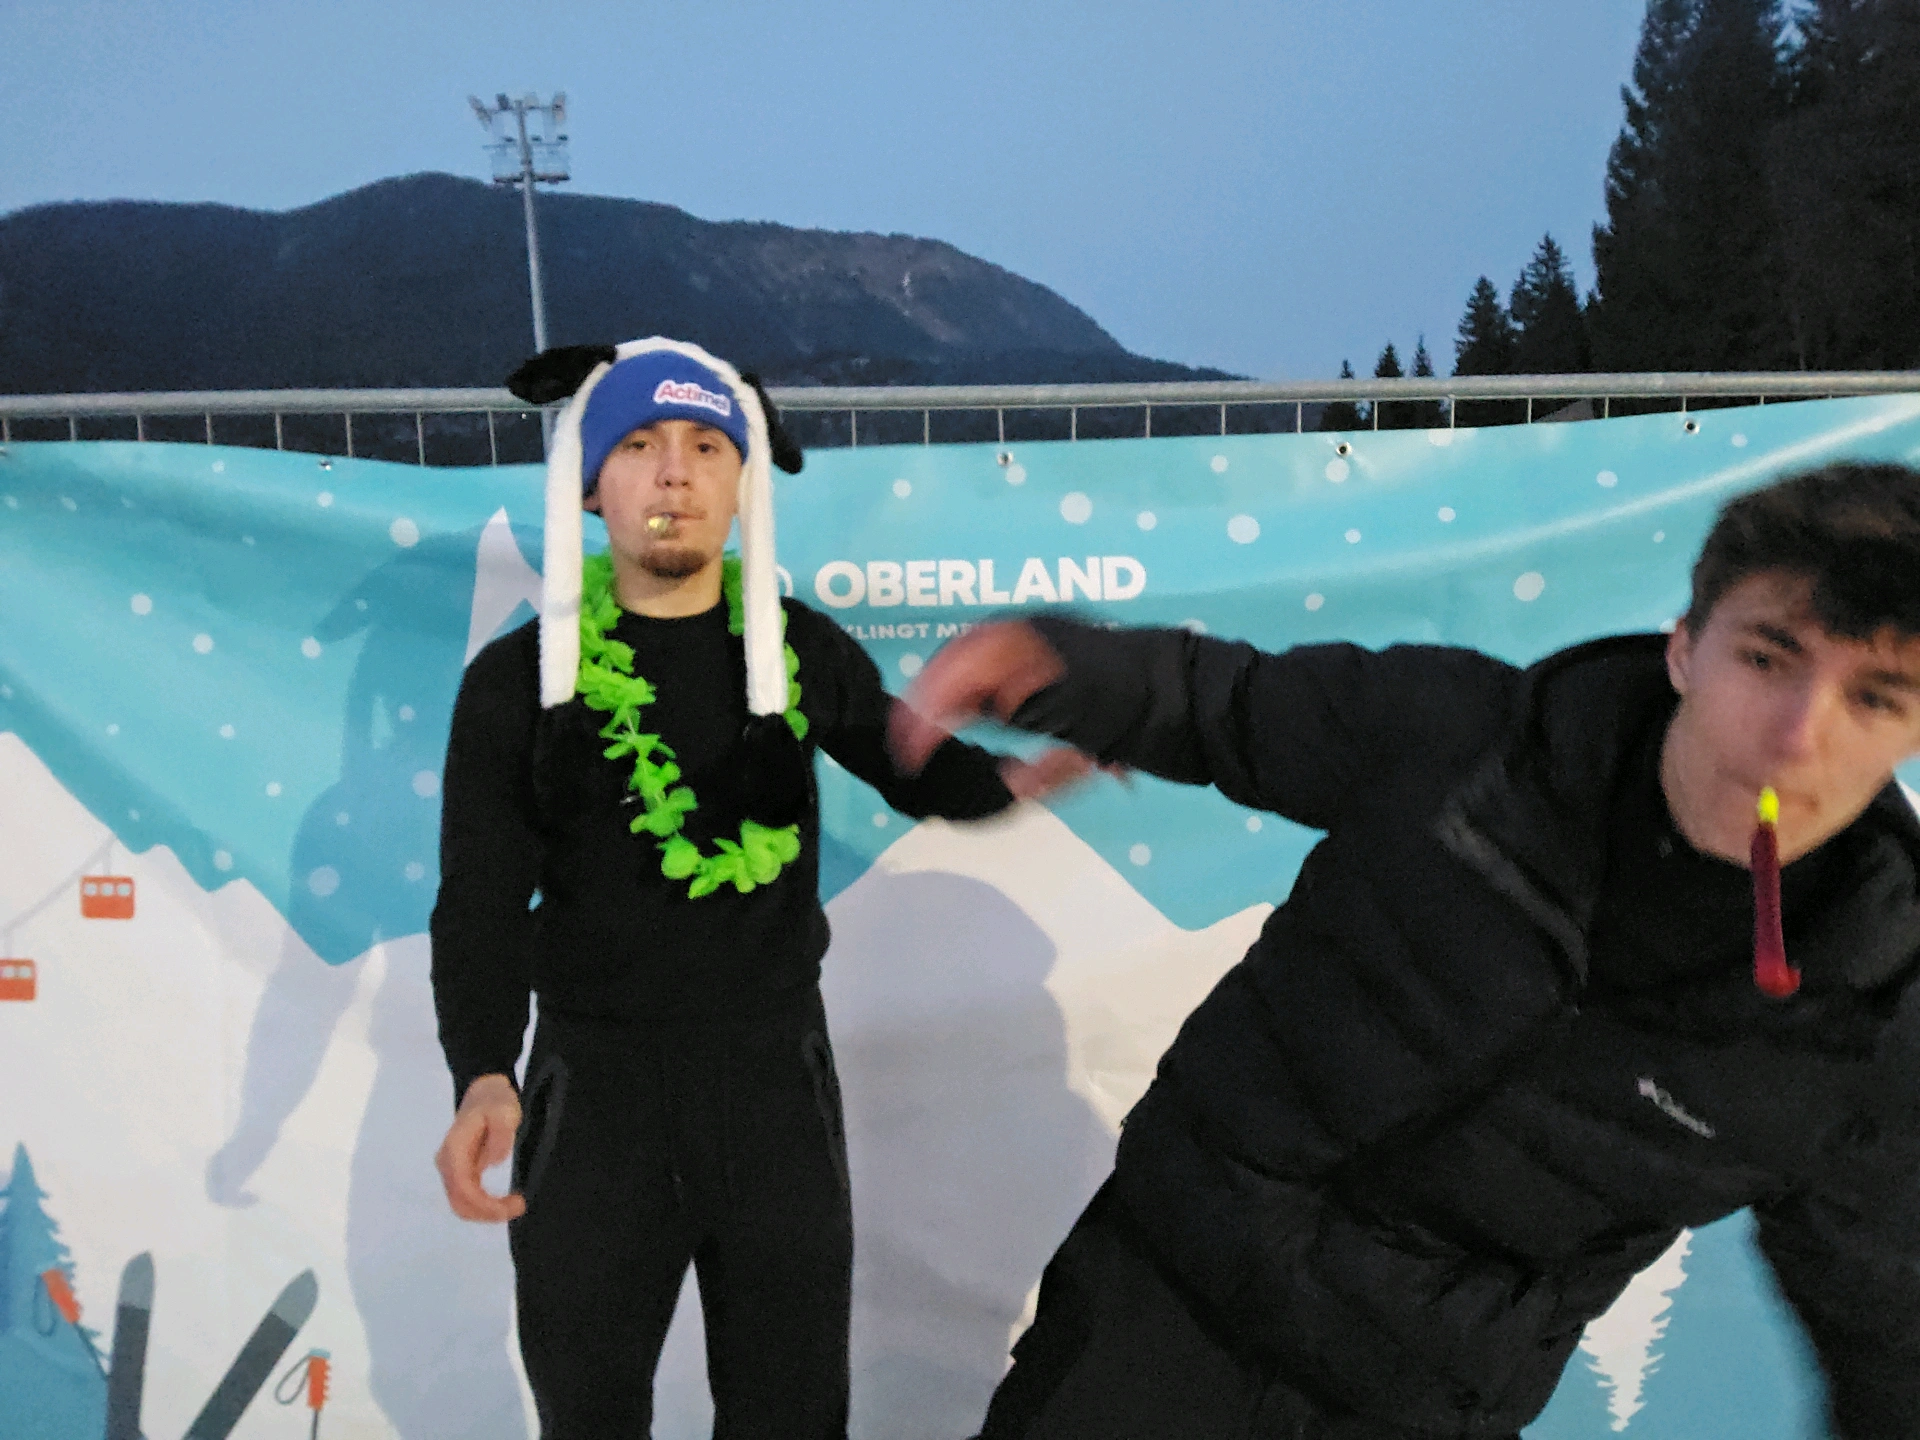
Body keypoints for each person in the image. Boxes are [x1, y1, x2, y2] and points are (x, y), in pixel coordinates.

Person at [890, 461, 1920, 1440]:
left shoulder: (1871, 1017)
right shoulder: (1471, 740)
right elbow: (1231, 704)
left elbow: (1888, 1315)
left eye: (1873, 697)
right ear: (1685, 647)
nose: (1798, 735)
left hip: (1415, 1398)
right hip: (1160, 1293)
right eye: (1767, 659)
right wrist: (1070, 666)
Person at [427, 337, 1087, 1439]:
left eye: (704, 446)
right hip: (594, 1103)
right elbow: (480, 899)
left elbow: (908, 761)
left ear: (742, 483)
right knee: (587, 1415)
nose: (673, 472)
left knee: (793, 1415)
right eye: (638, 445)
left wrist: (1012, 780)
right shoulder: (520, 682)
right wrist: (483, 1071)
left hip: (774, 1089)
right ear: (589, 486)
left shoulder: (796, 653)